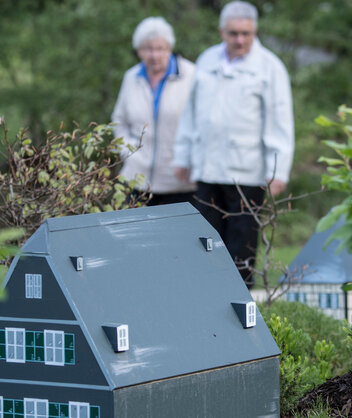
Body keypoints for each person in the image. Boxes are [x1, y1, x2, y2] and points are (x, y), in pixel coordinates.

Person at [173, 1, 294, 287]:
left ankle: (241, 306)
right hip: (207, 169)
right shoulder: (206, 60)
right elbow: (191, 114)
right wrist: (183, 155)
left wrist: (279, 169)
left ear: (255, 32)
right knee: (204, 244)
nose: (240, 40)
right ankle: (206, 299)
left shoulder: (270, 67)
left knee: (241, 247)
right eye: (233, 33)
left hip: (246, 174)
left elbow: (280, 122)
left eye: (246, 33)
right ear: (221, 32)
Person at [112, 17, 196, 206]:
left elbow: (203, 123)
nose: (154, 55)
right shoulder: (131, 77)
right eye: (147, 49)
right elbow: (119, 121)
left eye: (160, 49)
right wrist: (128, 151)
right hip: (137, 180)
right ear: (139, 51)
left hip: (180, 181)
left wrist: (190, 159)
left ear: (170, 48)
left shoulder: (191, 76)